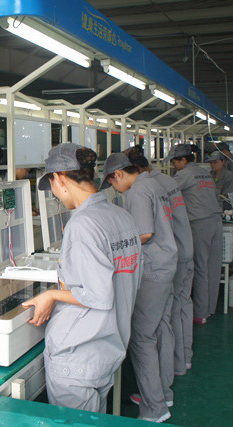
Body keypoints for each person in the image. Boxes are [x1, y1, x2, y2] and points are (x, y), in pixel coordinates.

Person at [22, 143, 141, 414]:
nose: (54, 193)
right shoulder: (121, 217)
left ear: (60, 178)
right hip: (108, 347)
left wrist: (51, 294)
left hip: (78, 355)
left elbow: (98, 294)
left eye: (52, 185)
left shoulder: (83, 224)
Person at [101, 152, 177, 423]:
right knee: (160, 329)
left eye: (112, 183)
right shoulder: (153, 183)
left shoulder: (137, 191)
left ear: (119, 174)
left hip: (153, 269)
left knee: (142, 338)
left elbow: (144, 233)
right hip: (166, 264)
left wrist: (111, 247)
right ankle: (161, 393)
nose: (114, 189)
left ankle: (154, 408)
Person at [124, 146, 194, 376]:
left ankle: (169, 375)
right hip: (178, 250)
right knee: (174, 313)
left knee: (155, 327)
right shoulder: (163, 182)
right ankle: (180, 363)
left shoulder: (142, 189)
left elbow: (146, 232)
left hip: (163, 259)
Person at [164, 144, 222, 325]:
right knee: (213, 267)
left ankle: (200, 312)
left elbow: (164, 191)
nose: (174, 166)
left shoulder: (184, 174)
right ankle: (210, 308)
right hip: (216, 221)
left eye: (175, 162)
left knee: (200, 267)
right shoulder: (204, 173)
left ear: (183, 160)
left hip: (200, 223)